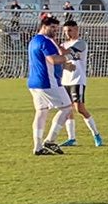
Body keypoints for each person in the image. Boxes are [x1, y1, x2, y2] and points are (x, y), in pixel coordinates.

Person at [26, 13, 73, 155]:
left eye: (56, 28)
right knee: (67, 108)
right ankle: (50, 140)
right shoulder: (45, 41)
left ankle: (38, 147)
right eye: (52, 27)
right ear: (44, 27)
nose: (55, 30)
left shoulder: (34, 40)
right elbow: (53, 60)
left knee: (41, 112)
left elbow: (45, 62)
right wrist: (69, 56)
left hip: (34, 83)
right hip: (47, 81)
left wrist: (65, 65)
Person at [56, 18, 103, 148]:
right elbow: (60, 61)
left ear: (76, 29)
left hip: (77, 80)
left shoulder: (81, 43)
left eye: (70, 30)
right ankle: (72, 138)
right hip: (65, 80)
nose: (67, 33)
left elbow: (65, 53)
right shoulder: (63, 44)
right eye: (65, 31)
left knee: (80, 108)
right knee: (67, 109)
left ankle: (96, 134)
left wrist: (55, 45)